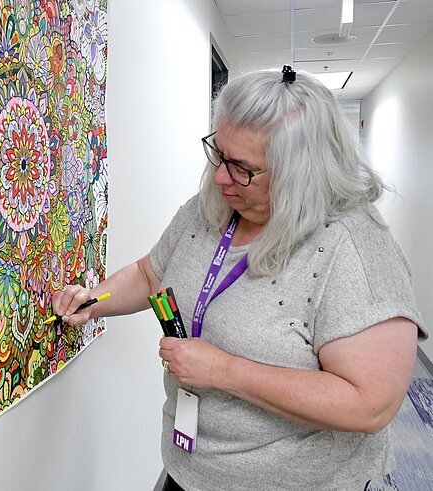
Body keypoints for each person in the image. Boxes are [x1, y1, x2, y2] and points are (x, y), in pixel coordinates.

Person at [51, 66, 428, 490]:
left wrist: (224, 371)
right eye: (218, 153)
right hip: (188, 470)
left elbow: (370, 405)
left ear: (300, 172)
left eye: (242, 167)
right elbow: (148, 273)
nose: (219, 177)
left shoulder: (353, 247)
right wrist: (93, 300)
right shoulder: (209, 207)